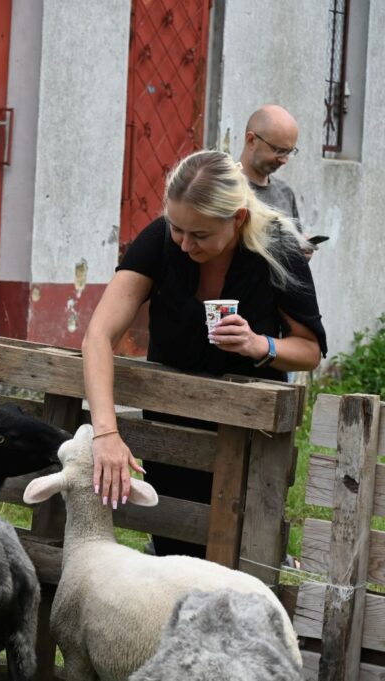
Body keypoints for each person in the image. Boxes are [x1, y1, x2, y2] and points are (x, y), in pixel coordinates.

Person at [82, 149, 326, 557]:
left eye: (200, 235)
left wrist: (259, 345)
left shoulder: (277, 251)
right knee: (175, 555)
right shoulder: (161, 240)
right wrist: (106, 433)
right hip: (171, 429)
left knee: (239, 563)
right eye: (178, 228)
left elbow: (310, 350)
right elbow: (98, 337)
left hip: (249, 434)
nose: (184, 243)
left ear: (239, 219)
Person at [239, 104, 318, 260]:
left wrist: (301, 255)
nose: (284, 160)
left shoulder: (285, 193)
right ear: (251, 140)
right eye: (279, 150)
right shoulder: (225, 189)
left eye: (289, 152)